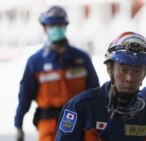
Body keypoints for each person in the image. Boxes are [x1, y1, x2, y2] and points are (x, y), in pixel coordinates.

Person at [14, 5, 100, 141]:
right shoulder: (35, 62)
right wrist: (18, 124)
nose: (56, 28)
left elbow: (95, 93)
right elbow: (25, 95)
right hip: (48, 125)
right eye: (52, 25)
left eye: (60, 24)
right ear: (44, 28)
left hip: (80, 123)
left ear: (65, 26)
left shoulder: (82, 59)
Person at [55, 31, 146, 141]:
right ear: (110, 69)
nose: (129, 78)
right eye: (123, 69)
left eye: (137, 71)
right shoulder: (80, 107)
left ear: (145, 74)